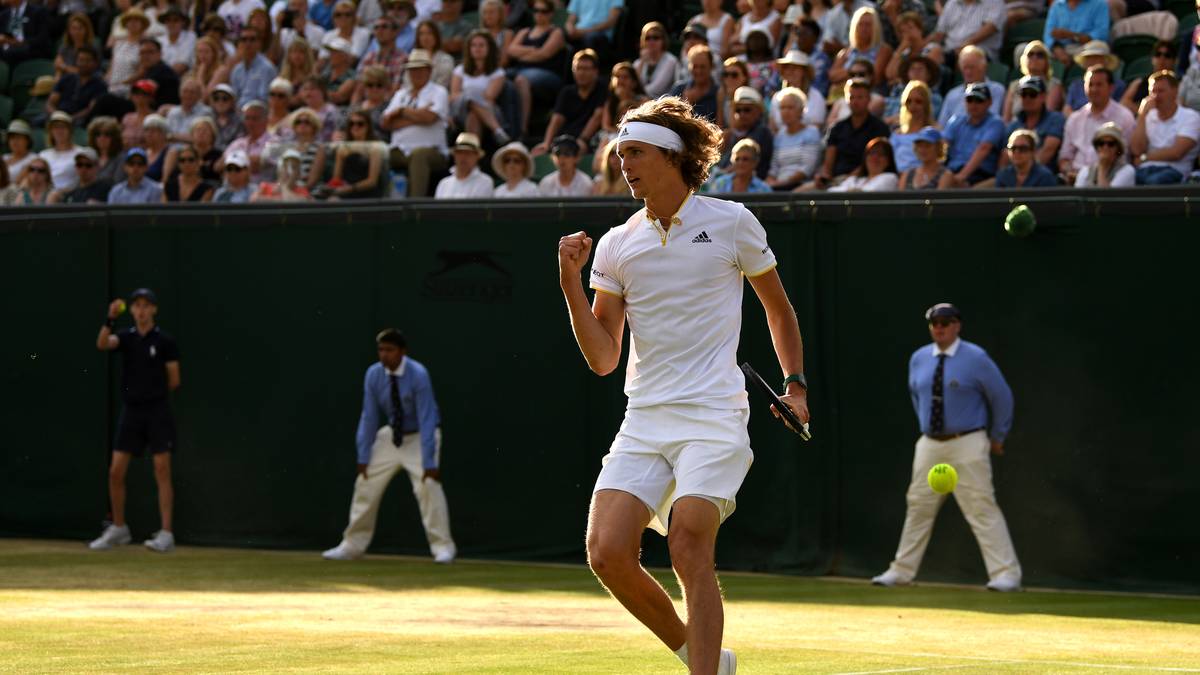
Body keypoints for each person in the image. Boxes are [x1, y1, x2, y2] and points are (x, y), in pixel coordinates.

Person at [556, 94, 808, 675]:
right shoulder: (618, 244)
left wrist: (794, 385)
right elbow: (602, 358)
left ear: (671, 157)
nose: (625, 164)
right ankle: (706, 659)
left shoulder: (731, 223)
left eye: (636, 152)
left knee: (689, 538)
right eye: (621, 154)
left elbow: (778, 309)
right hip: (644, 419)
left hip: (714, 416)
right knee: (607, 553)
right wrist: (570, 282)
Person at [872, 303, 1020, 593]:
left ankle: (1006, 574)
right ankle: (901, 570)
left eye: (945, 321)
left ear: (957, 325)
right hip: (929, 444)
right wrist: (929, 429)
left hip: (967, 441)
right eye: (934, 322)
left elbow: (1002, 397)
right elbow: (918, 398)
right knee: (918, 506)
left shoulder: (977, 358)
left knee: (980, 506)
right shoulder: (918, 359)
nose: (939, 327)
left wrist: (998, 435)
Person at [322, 328, 455, 564]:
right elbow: (369, 416)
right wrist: (363, 455)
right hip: (391, 436)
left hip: (421, 436)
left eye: (390, 350)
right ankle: (352, 545)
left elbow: (427, 418)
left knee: (429, 488)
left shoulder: (418, 374)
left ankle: (443, 548)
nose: (384, 355)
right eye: (381, 350)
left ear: (402, 352)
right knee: (365, 484)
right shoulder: (373, 375)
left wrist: (429, 460)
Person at [90, 288, 182, 554]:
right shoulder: (126, 338)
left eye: (146, 306)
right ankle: (119, 528)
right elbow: (102, 344)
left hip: (157, 412)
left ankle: (166, 533)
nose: (141, 310)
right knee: (116, 471)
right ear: (131, 310)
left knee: (162, 469)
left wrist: (153, 394)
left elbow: (174, 380)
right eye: (137, 306)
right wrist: (109, 319)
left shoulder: (165, 342)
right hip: (131, 412)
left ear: (154, 310)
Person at [383, 49, 450, 197]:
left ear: (429, 70)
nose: (416, 73)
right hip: (399, 149)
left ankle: (415, 205)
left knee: (419, 155)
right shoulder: (401, 94)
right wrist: (418, 115)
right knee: (378, 153)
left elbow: (429, 119)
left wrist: (401, 112)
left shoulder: (439, 92)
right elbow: (386, 123)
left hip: (432, 151)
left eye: (420, 69)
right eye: (413, 70)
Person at [808, 77, 890, 189]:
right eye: (851, 97)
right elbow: (828, 163)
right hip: (836, 181)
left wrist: (848, 180)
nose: (855, 101)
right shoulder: (837, 128)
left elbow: (875, 160)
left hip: (865, 181)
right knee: (799, 194)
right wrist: (824, 177)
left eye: (860, 97)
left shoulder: (880, 128)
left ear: (869, 99)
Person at [1058, 66, 1135, 183]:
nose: (1094, 89)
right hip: (1076, 178)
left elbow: (1126, 155)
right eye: (1090, 85)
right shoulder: (1074, 118)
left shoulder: (1125, 117)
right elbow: (1065, 157)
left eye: (1099, 85)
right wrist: (1069, 171)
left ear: (1111, 88)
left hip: (1111, 178)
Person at [507, 0, 567, 138]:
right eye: (536, 10)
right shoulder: (525, 31)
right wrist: (533, 50)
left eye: (543, 11)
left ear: (551, 13)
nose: (539, 14)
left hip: (548, 74)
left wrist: (521, 55)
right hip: (521, 70)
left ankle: (522, 129)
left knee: (522, 80)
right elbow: (510, 50)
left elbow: (544, 54)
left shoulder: (556, 32)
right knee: (499, 76)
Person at [1131, 70, 1200, 185]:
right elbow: (1136, 149)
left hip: (1175, 170)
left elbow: (1176, 153)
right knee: (1124, 178)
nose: (1156, 96)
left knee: (1153, 182)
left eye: (1161, 91)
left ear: (1175, 91)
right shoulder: (1147, 117)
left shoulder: (1191, 117)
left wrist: (1144, 158)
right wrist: (1142, 115)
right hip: (1144, 169)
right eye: (1153, 91)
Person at [533, 49, 604, 156]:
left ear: (595, 71)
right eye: (578, 68)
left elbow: (597, 117)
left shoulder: (602, 89)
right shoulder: (567, 92)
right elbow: (557, 120)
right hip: (566, 138)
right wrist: (547, 143)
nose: (581, 73)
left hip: (591, 139)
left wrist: (582, 140)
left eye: (585, 69)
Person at [450, 30, 510, 144]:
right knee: (472, 93)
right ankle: (497, 129)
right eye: (473, 45)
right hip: (461, 108)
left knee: (474, 114)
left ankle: (472, 150)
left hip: (489, 109)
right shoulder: (459, 70)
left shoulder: (498, 72)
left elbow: (489, 97)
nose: (477, 48)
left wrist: (468, 95)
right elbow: (453, 96)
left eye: (481, 45)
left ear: (489, 48)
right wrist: (470, 95)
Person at [943, 82, 1006, 186]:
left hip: (979, 176)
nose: (973, 105)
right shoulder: (956, 120)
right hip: (951, 172)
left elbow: (984, 148)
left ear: (989, 102)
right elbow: (942, 146)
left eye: (979, 100)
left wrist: (961, 176)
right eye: (970, 100)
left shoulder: (995, 123)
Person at [1003, 76, 1065, 170]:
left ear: (1043, 96)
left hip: (1044, 179)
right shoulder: (1014, 125)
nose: (1027, 98)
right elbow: (1004, 156)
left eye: (1032, 94)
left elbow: (1048, 150)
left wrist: (1026, 173)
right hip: (1015, 178)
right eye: (1024, 94)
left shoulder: (1055, 119)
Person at [767, 87, 822, 190]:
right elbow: (774, 167)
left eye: (790, 107)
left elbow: (807, 169)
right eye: (782, 108)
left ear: (801, 110)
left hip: (801, 186)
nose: (785, 112)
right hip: (779, 185)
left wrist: (781, 183)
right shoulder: (780, 135)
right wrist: (769, 182)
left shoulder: (812, 132)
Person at [939, 46, 1005, 127]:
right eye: (965, 68)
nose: (968, 72)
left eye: (972, 67)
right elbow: (942, 125)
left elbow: (991, 119)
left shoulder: (996, 90)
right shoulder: (952, 95)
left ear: (984, 67)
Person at [717, 86, 773, 180]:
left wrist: (717, 176)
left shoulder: (762, 133)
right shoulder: (731, 135)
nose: (742, 114)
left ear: (758, 111)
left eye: (747, 110)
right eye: (738, 110)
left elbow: (739, 167)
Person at [327, 110, 386, 198]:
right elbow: (336, 178)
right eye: (351, 124)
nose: (355, 127)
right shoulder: (343, 148)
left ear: (368, 126)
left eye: (360, 124)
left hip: (367, 192)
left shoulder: (375, 147)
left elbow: (372, 181)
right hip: (346, 190)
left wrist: (350, 188)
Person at [218, 100, 278, 184]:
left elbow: (258, 165)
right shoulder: (238, 143)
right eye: (247, 118)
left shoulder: (275, 142)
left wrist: (234, 163)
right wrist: (251, 161)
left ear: (266, 120)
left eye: (255, 118)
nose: (250, 122)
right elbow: (219, 165)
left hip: (261, 190)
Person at [1002, 41, 1063, 123]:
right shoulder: (1015, 85)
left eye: (1040, 55)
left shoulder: (1054, 85)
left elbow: (1048, 113)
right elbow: (1006, 118)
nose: (1034, 58)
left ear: (1047, 61)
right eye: (1030, 54)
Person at [930, 0, 1007, 64]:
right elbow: (939, 33)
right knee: (932, 53)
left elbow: (990, 28)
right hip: (949, 51)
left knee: (967, 56)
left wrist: (962, 48)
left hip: (979, 52)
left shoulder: (995, 2)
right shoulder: (952, 3)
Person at [47, 44, 108, 125]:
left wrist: (71, 118)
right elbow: (51, 102)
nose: (84, 64)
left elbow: (91, 109)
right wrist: (56, 116)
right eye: (81, 60)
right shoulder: (66, 79)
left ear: (95, 63)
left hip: (79, 119)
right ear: (76, 61)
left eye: (88, 60)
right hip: (58, 115)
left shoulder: (100, 86)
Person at [1043, 0, 1110, 69]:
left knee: (1100, 47)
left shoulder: (1100, 4)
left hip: (1086, 48)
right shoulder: (1057, 5)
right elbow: (1048, 35)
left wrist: (1071, 35)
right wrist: (1057, 49)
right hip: (1061, 48)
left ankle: (1093, 77)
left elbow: (1102, 33)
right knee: (1037, 51)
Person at [889, 80, 938, 173]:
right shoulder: (897, 134)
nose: (913, 106)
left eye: (918, 101)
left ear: (926, 104)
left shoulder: (935, 131)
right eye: (908, 101)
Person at [1063, 41, 1125, 115]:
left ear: (1106, 61)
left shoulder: (1117, 85)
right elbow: (1067, 109)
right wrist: (1077, 122)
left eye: (1096, 58)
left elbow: (1119, 109)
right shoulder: (1075, 85)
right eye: (1088, 58)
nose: (1091, 61)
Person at [827, 135, 899, 191]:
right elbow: (831, 191)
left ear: (888, 160)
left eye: (881, 154)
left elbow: (872, 193)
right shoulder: (854, 179)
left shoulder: (890, 177)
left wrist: (851, 191)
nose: (875, 157)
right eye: (871, 153)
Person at [669, 45, 719, 123]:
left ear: (711, 66)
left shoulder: (718, 93)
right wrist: (684, 104)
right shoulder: (679, 89)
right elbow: (668, 118)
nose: (698, 71)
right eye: (695, 66)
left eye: (703, 67)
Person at [434, 132, 494, 198]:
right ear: (454, 155)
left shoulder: (485, 182)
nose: (463, 157)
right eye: (459, 152)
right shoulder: (444, 184)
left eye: (468, 153)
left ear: (477, 156)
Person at [1075, 121, 1135, 186]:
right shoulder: (1085, 171)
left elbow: (1106, 195)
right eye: (1101, 143)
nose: (1105, 147)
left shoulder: (1127, 170)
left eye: (1111, 144)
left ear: (1119, 148)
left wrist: (1102, 168)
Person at [230, 26, 278, 105]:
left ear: (259, 43)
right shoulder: (237, 70)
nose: (248, 43)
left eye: (252, 39)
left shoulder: (267, 68)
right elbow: (234, 97)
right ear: (239, 43)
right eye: (244, 39)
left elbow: (264, 99)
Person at [39, 111, 86, 191]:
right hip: (44, 196)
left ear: (70, 130)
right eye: (55, 127)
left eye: (63, 127)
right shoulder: (43, 155)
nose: (59, 131)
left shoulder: (81, 153)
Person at [635, 21, 680, 99]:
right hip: (641, 102)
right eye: (647, 38)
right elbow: (632, 84)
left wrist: (635, 94)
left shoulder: (671, 61)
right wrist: (642, 62)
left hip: (662, 105)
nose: (651, 41)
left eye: (656, 37)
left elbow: (656, 89)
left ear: (663, 40)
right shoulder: (638, 63)